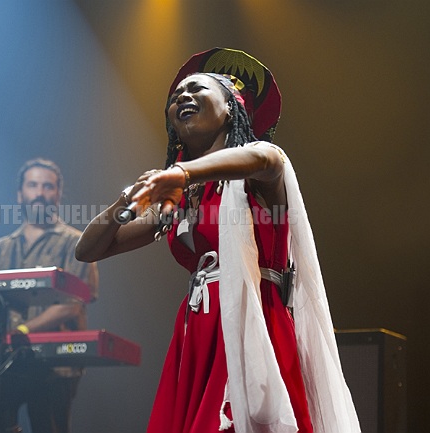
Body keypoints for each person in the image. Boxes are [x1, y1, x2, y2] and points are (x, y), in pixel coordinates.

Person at [75, 48, 360, 433]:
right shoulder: (177, 202)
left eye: (196, 89)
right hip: (198, 333)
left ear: (231, 107)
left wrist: (182, 173)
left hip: (252, 321)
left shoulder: (258, 171)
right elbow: (88, 249)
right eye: (176, 95)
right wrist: (129, 199)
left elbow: (266, 160)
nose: (183, 96)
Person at [0, 158, 99, 433]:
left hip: (55, 366)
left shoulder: (77, 243)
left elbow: (72, 305)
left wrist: (21, 331)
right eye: (33, 185)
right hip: (0, 363)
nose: (40, 193)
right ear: (20, 194)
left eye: (48, 186)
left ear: (58, 193)